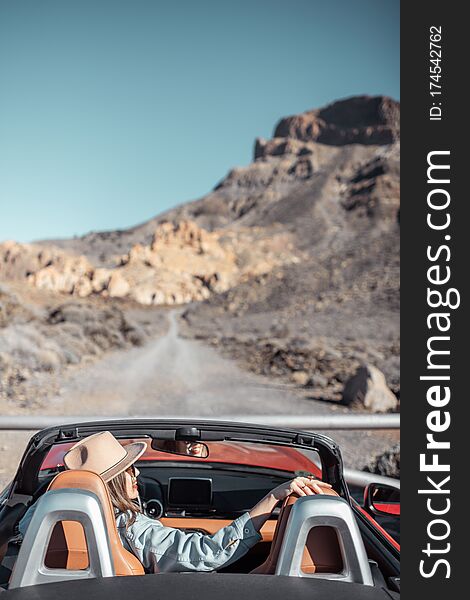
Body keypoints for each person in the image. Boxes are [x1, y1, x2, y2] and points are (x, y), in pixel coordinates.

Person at [18, 431, 332, 573]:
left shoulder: (36, 521)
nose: (137, 472)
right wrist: (273, 497)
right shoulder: (132, 528)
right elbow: (207, 555)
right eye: (129, 469)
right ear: (111, 482)